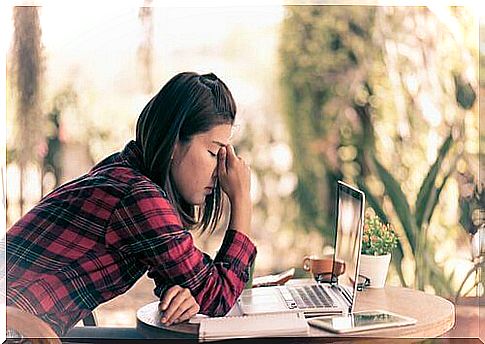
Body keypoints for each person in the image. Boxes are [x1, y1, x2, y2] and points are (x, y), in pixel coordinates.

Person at [5, 72, 257, 337]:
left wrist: (190, 292)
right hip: (16, 330)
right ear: (174, 142)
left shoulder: (125, 172)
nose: (221, 169)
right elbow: (218, 296)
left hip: (30, 327)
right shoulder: (139, 197)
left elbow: (194, 285)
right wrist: (241, 199)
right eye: (214, 152)